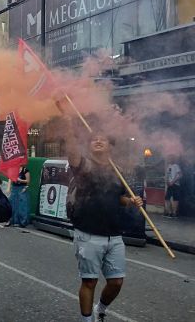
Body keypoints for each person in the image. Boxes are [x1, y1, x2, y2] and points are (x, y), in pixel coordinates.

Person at [60, 111, 143, 322]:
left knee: (116, 282)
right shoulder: (83, 165)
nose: (98, 141)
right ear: (89, 146)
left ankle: (101, 309)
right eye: (94, 139)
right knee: (89, 282)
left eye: (102, 139)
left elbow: (120, 197)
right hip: (88, 234)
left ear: (109, 146)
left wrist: (131, 201)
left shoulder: (118, 170)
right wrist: (69, 124)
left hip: (114, 235)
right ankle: (86, 319)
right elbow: (71, 150)